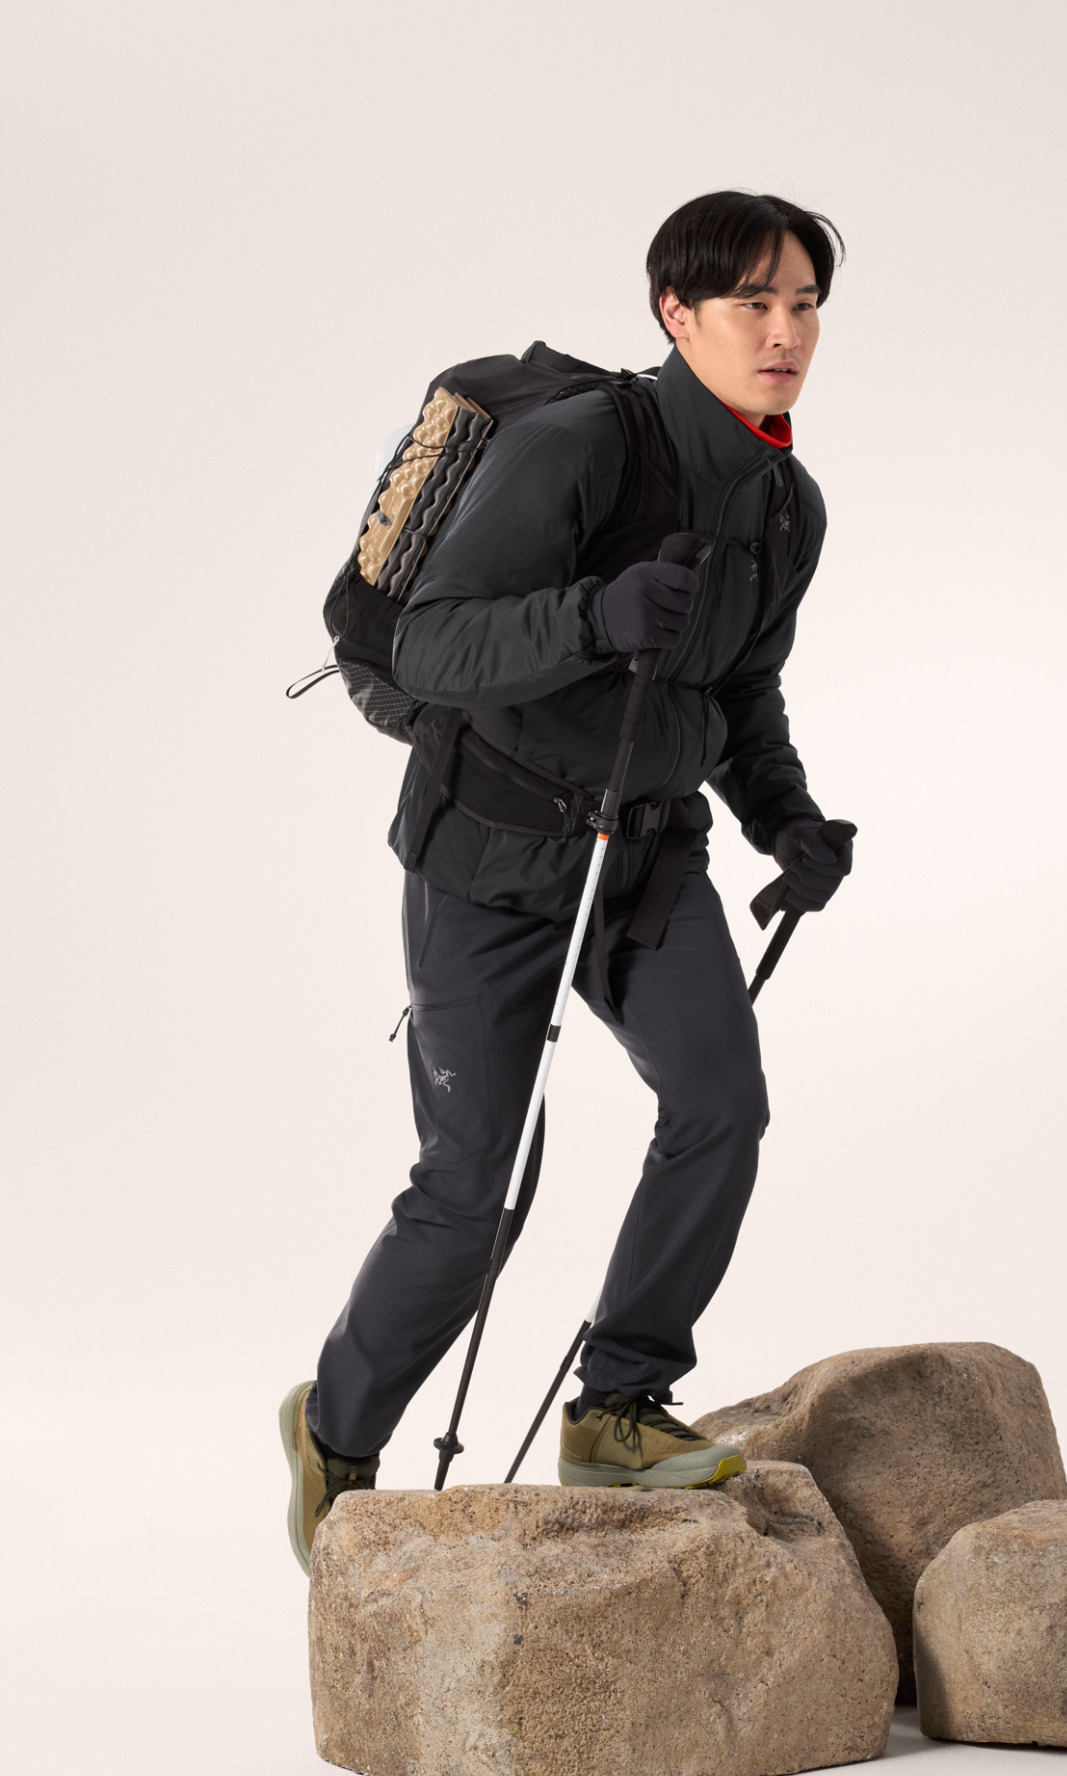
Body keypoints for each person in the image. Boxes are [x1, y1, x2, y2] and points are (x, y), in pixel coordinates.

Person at [280, 190, 855, 1573]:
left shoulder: (786, 504)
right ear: (677, 313)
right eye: (753, 302)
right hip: (488, 855)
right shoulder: (581, 446)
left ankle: (618, 1406)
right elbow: (430, 649)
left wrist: (788, 823)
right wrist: (593, 616)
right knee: (474, 1189)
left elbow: (741, 693)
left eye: (803, 304)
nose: (783, 331)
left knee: (720, 1106)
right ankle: (337, 1430)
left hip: (647, 855)